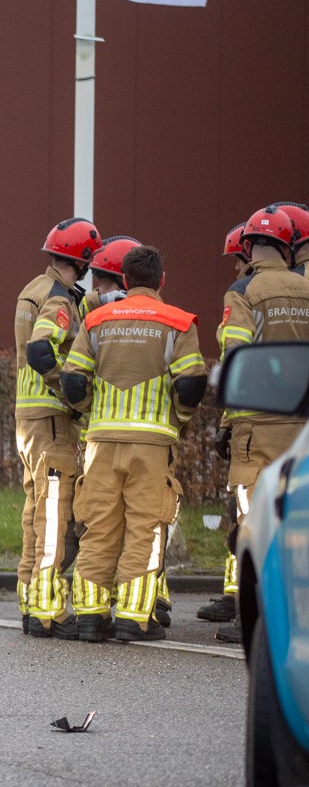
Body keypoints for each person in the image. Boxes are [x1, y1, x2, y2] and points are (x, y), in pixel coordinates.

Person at [60, 245, 208, 642]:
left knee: (97, 527)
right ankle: (133, 617)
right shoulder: (178, 322)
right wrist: (180, 419)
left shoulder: (96, 320)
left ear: (125, 280)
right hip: (153, 444)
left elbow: (72, 380)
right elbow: (191, 384)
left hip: (101, 443)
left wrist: (90, 412)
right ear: (161, 280)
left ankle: (90, 616)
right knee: (146, 527)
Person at [199, 205, 309, 641]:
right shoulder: (305, 287)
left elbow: (236, 355)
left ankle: (252, 618)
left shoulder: (243, 291)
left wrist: (228, 418)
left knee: (250, 520)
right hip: (301, 425)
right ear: (287, 246)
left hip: (256, 426)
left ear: (248, 246)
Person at [11, 218, 101, 639]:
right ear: (82, 260)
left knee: (36, 513)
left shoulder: (33, 288)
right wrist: (68, 393)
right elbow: (40, 348)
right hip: (51, 419)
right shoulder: (59, 298)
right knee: (53, 516)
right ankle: (48, 610)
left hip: (29, 418)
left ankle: (32, 602)